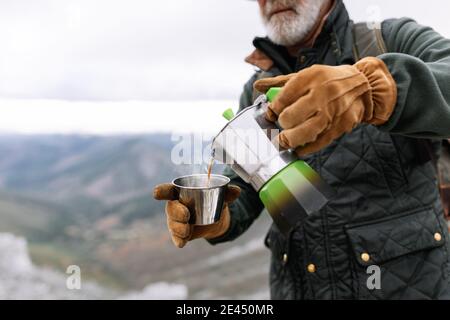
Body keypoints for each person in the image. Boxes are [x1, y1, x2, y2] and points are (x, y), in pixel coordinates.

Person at [154, 0, 450, 299]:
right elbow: (247, 185)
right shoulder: (257, 88)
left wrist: (372, 90)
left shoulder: (390, 39)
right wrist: (217, 216)